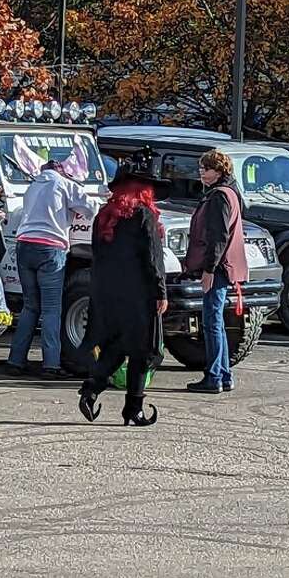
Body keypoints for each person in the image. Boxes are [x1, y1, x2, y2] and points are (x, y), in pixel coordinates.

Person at [78, 153, 169, 427]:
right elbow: (153, 258)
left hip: (106, 293)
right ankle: (134, 409)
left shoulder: (104, 216)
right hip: (138, 294)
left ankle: (92, 389)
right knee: (143, 351)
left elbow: (97, 255)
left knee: (117, 344)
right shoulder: (144, 215)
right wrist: (161, 292)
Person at [5, 160, 98, 378]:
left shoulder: (33, 185)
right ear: (61, 171)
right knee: (51, 308)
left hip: (24, 245)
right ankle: (51, 364)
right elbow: (91, 208)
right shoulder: (65, 184)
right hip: (50, 248)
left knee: (30, 306)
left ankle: (15, 360)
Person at [184, 149, 248, 394]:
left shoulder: (220, 196)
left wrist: (209, 269)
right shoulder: (229, 193)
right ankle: (223, 374)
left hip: (219, 267)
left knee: (211, 322)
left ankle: (213, 377)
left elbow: (219, 237)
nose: (202, 172)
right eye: (201, 168)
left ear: (220, 171)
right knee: (216, 321)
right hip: (225, 266)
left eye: (206, 168)